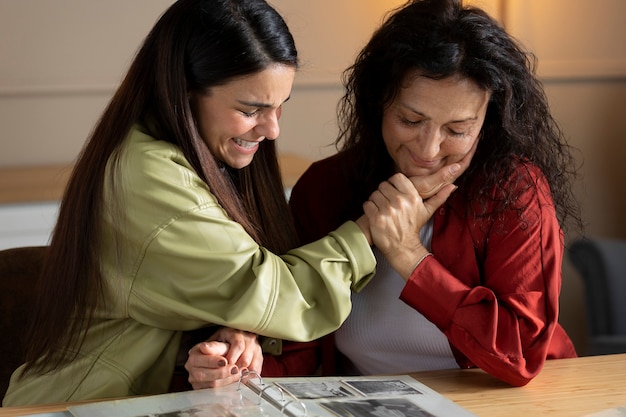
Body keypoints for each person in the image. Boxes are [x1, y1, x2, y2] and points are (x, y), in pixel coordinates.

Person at [2, 0, 464, 406]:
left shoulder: (198, 155)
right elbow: (278, 292)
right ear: (184, 94)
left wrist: (242, 325)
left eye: (279, 105)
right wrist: (375, 228)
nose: (272, 130)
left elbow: (241, 281)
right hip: (78, 407)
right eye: (250, 110)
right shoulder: (146, 179)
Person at [185, 0, 583, 388]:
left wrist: (410, 256)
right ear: (378, 105)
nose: (428, 150)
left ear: (489, 121)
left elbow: (520, 353)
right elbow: (300, 346)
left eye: (457, 130)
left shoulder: (514, 192)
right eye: (410, 120)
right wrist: (241, 362)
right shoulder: (326, 187)